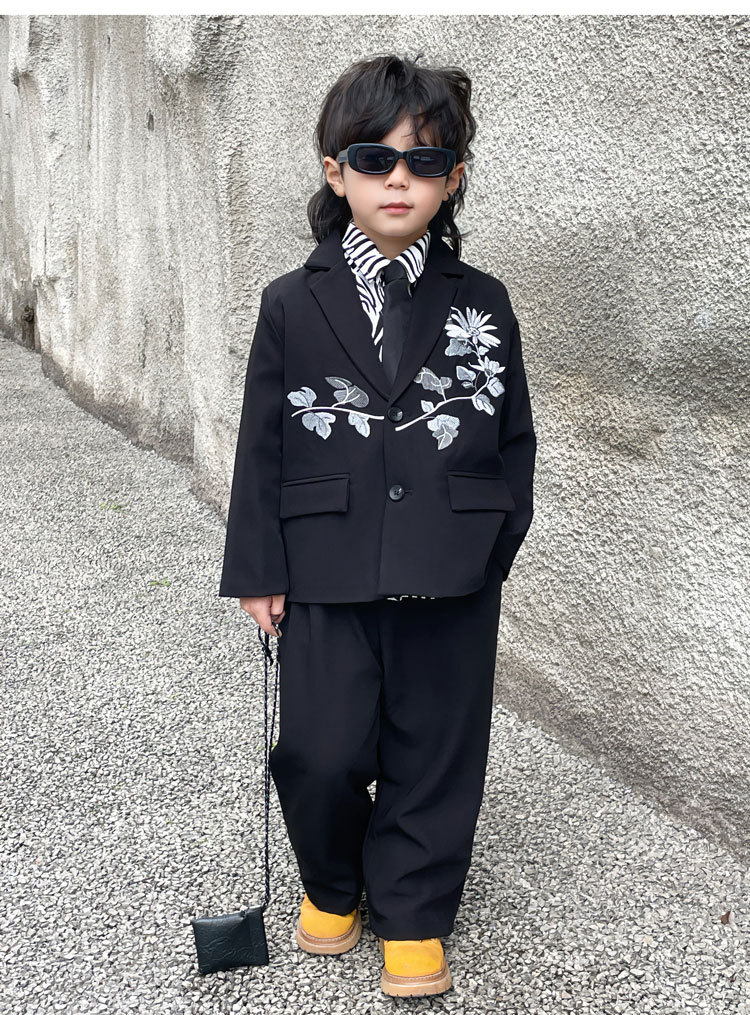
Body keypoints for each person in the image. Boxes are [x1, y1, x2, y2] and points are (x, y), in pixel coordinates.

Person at [218, 52, 537, 997]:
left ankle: (414, 907)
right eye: (375, 158)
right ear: (336, 171)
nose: (399, 179)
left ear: (453, 177)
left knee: (435, 746)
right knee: (319, 749)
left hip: (451, 563)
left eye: (425, 161)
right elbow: (261, 442)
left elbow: (513, 434)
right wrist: (258, 567)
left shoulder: (483, 301)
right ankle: (333, 878)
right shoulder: (292, 300)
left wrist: (493, 544)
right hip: (325, 559)